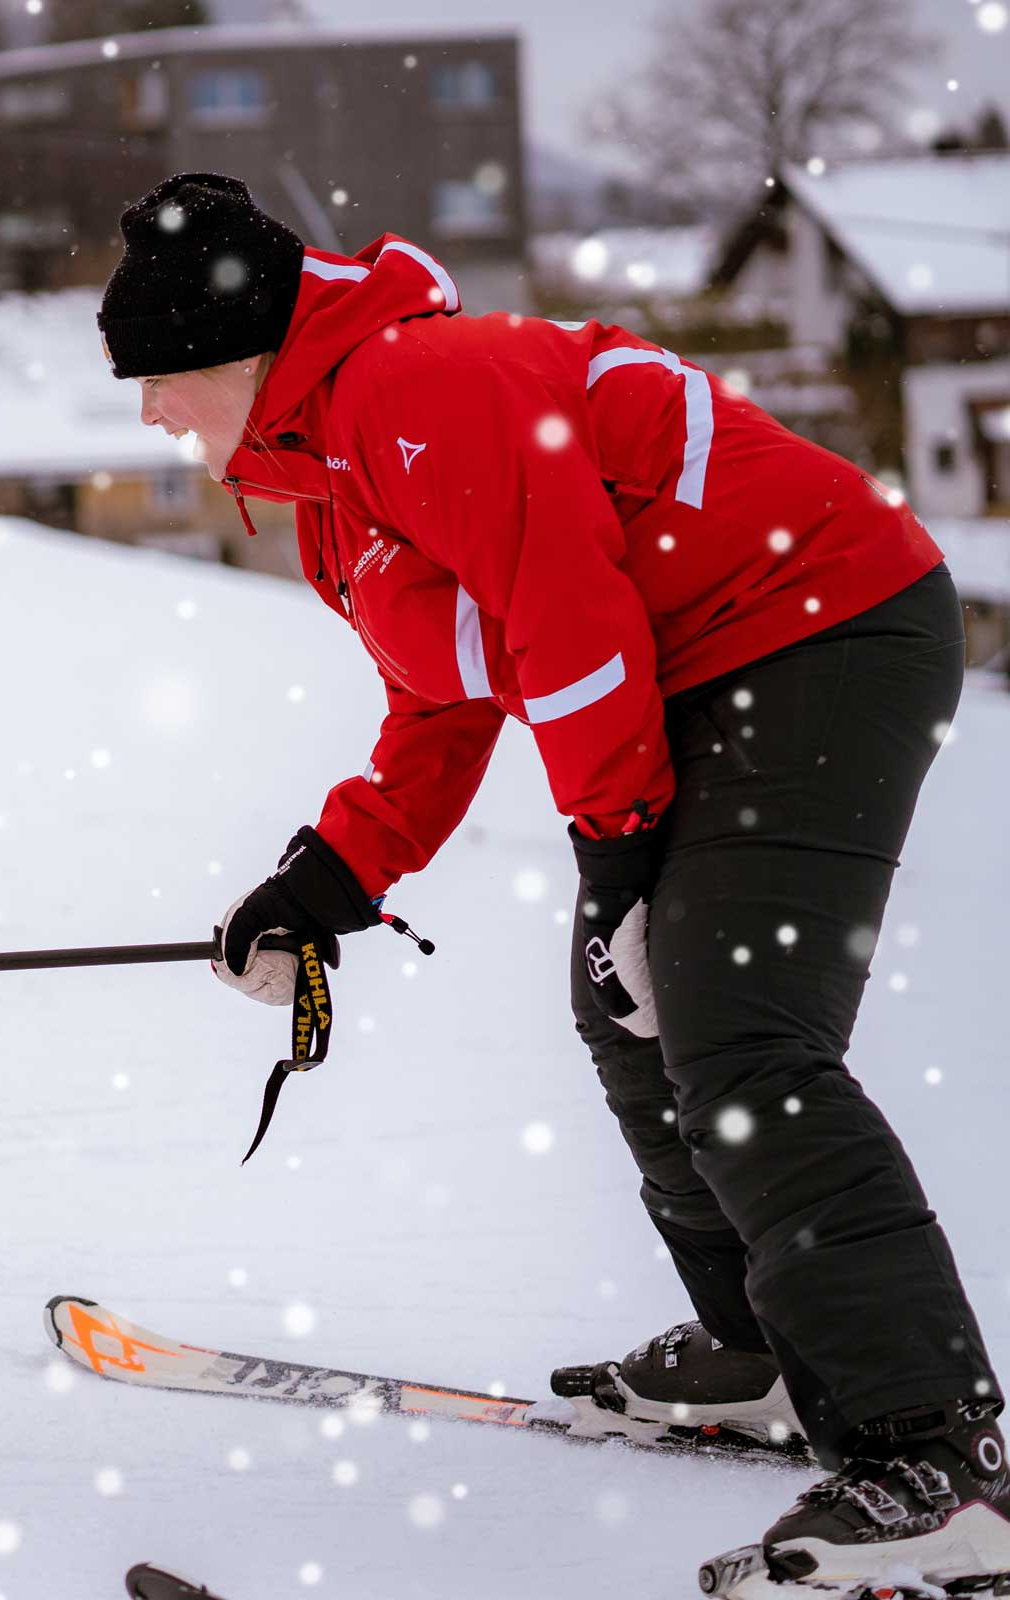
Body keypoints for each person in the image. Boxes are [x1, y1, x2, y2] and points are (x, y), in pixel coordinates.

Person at [97, 173, 1005, 1588]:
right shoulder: (334, 480)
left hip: (826, 634)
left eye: (156, 380)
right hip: (702, 678)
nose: (149, 416)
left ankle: (945, 1458)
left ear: (233, 353)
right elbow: (450, 701)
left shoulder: (414, 390)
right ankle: (768, 1354)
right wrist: (326, 877)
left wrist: (623, 858)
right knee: (632, 1013)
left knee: (741, 1033)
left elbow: (573, 630)